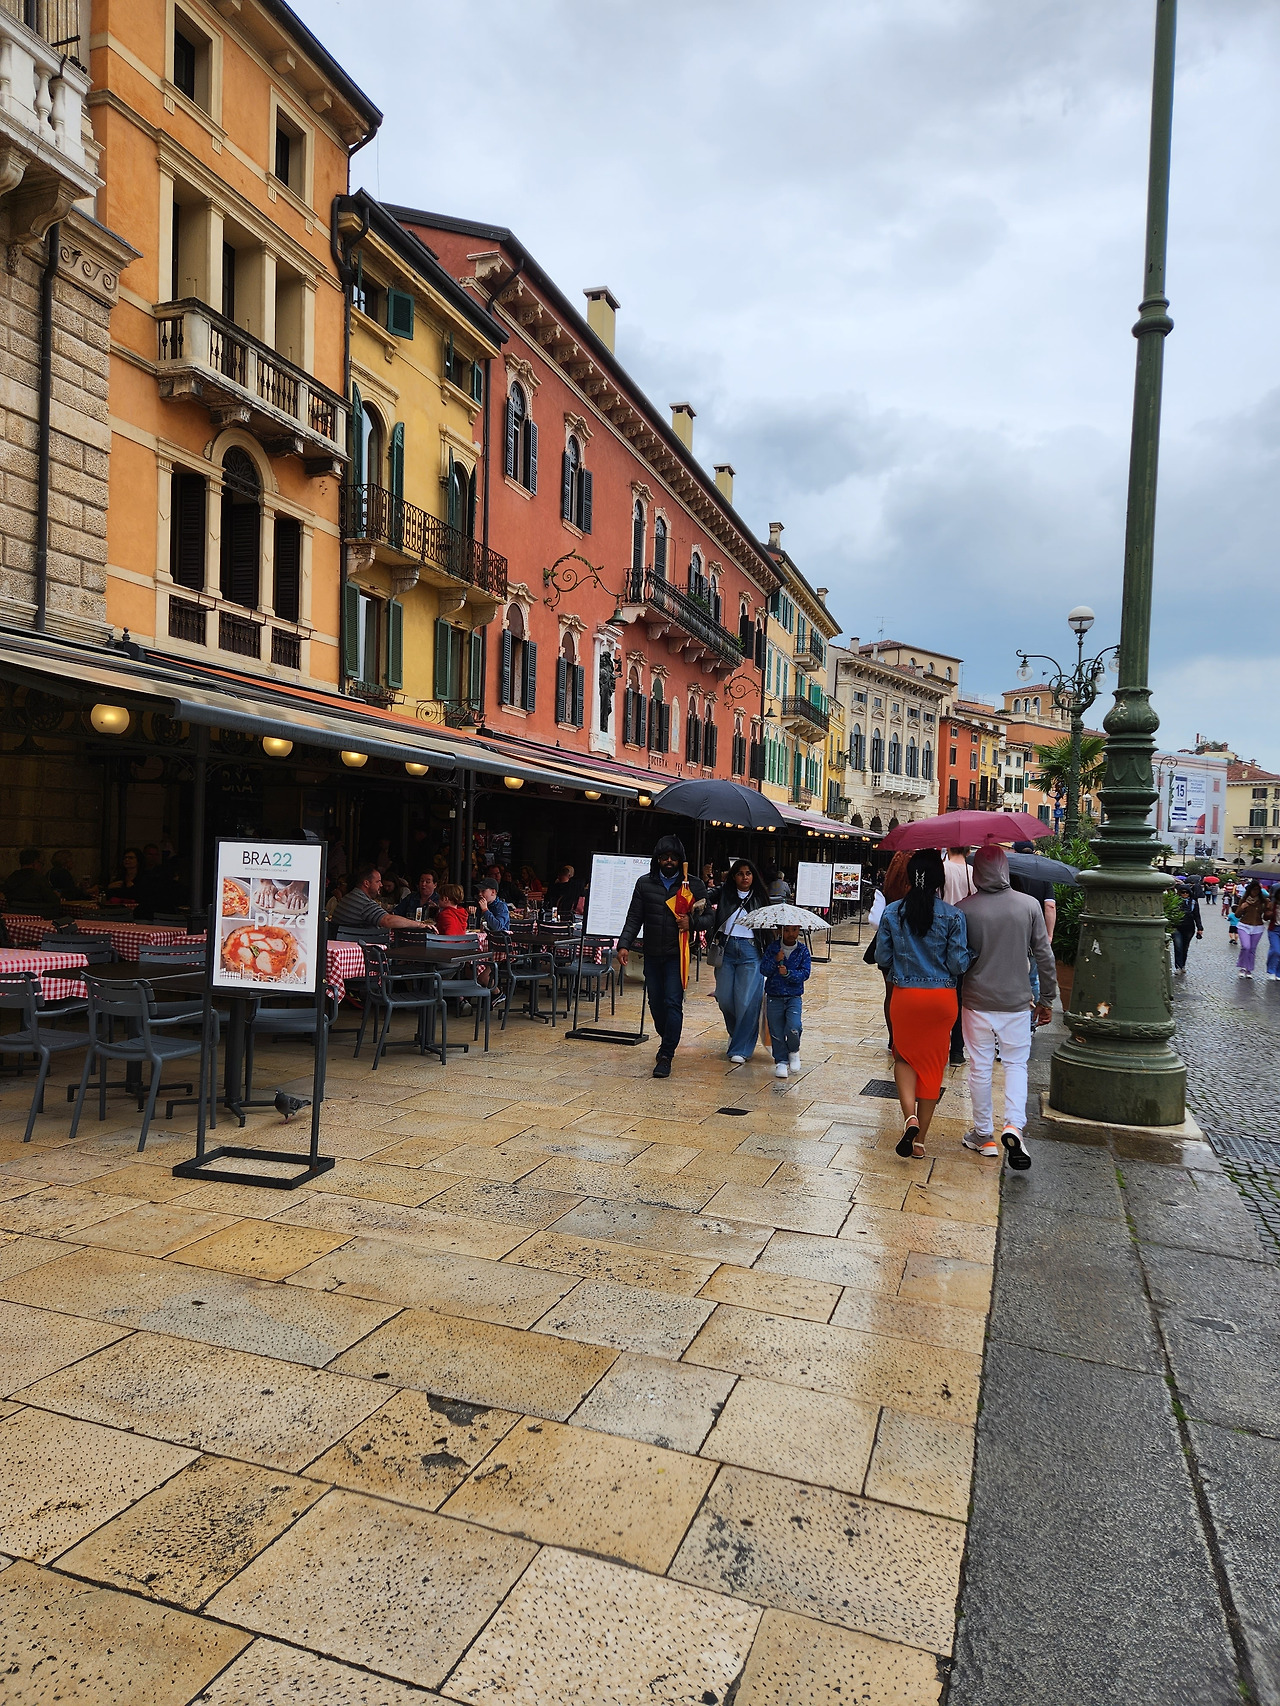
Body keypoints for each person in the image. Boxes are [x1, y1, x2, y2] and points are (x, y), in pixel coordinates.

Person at [958, 847, 1056, 1168]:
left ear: (976, 872)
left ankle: (983, 1134)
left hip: (976, 1001)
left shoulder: (963, 909)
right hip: (1016, 1002)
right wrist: (1047, 999)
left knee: (980, 1067)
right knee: (1016, 1065)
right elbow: (1044, 955)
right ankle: (1014, 1125)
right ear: (1005, 869)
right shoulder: (1028, 905)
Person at [875, 849, 972, 1160]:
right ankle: (920, 1142)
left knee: (904, 1057)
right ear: (939, 880)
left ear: (909, 878)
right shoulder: (953, 916)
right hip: (941, 999)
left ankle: (910, 1118)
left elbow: (881, 957)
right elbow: (957, 964)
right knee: (932, 1064)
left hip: (905, 997)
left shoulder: (892, 912)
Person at [616, 834, 708, 1078]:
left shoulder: (693, 885)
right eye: (664, 857)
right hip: (652, 953)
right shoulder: (644, 883)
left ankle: (666, 1054)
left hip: (678, 955)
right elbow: (634, 916)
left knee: (672, 1002)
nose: (669, 861)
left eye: (673, 857)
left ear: (681, 860)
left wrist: (691, 923)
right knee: (656, 1003)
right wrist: (624, 944)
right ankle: (667, 1037)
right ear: (657, 859)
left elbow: (709, 918)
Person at [711, 857, 771, 1063]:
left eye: (748, 873)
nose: (744, 877)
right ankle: (736, 1033)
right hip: (726, 950)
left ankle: (741, 1048)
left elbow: (768, 928)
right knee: (724, 998)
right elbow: (706, 895)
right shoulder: (725, 893)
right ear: (733, 876)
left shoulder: (760, 896)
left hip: (751, 951)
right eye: (740, 873)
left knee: (747, 1001)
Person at [869, 851, 911, 1052]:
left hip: (888, 945)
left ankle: (893, 1038)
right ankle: (906, 1035)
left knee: (890, 993)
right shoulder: (916, 893)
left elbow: (874, 921)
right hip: (910, 945)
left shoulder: (885, 892)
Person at [765, 923, 811, 1079]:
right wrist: (775, 960)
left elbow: (805, 973)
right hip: (774, 995)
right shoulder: (773, 948)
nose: (791, 934)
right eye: (787, 930)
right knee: (776, 1031)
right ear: (780, 931)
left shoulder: (802, 950)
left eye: (794, 930)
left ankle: (793, 1050)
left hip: (793, 996)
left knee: (794, 1026)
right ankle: (781, 1061)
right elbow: (764, 969)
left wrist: (788, 974)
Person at [331, 864, 433, 933]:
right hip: (362, 950)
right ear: (366, 883)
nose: (381, 885)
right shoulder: (363, 902)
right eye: (378, 882)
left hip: (347, 944)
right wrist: (420, 925)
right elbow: (387, 920)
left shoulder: (349, 898)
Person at [2, 848, 64, 913]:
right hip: (39, 914)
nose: (42, 867)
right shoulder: (38, 878)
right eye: (41, 863)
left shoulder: (13, 876)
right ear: (35, 863)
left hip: (15, 913)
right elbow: (54, 901)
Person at [1234, 879, 1267, 979]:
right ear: (1250, 890)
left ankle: (1249, 969)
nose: (1255, 892)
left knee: (1252, 949)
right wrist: (1242, 907)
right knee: (1246, 947)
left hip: (1258, 927)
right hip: (1244, 925)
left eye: (1257, 890)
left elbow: (1266, 916)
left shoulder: (1263, 901)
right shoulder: (1244, 900)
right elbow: (1237, 915)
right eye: (1253, 889)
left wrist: (1268, 908)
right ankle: (1242, 967)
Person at [1171, 881, 1204, 975]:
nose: (1185, 894)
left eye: (1187, 892)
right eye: (1183, 892)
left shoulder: (1193, 903)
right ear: (1179, 893)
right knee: (1178, 947)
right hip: (1176, 928)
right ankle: (1178, 966)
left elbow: (1197, 916)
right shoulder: (1175, 902)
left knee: (1185, 947)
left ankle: (1183, 965)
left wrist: (1200, 928)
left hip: (1189, 928)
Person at [1267, 887, 1280, 983]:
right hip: (1274, 929)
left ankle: (1278, 973)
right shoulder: (1273, 904)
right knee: (1276, 950)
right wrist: (1270, 913)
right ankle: (1271, 970)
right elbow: (1265, 917)